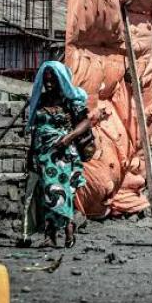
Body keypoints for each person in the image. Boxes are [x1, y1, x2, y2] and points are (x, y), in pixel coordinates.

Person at [22, 61, 91, 248]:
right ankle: (51, 234)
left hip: (64, 154)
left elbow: (86, 123)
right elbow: (35, 129)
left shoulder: (70, 100)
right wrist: (31, 154)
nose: (49, 84)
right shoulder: (41, 100)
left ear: (61, 80)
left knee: (62, 192)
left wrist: (69, 138)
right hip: (44, 155)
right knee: (47, 192)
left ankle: (68, 224)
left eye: (53, 80)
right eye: (46, 80)